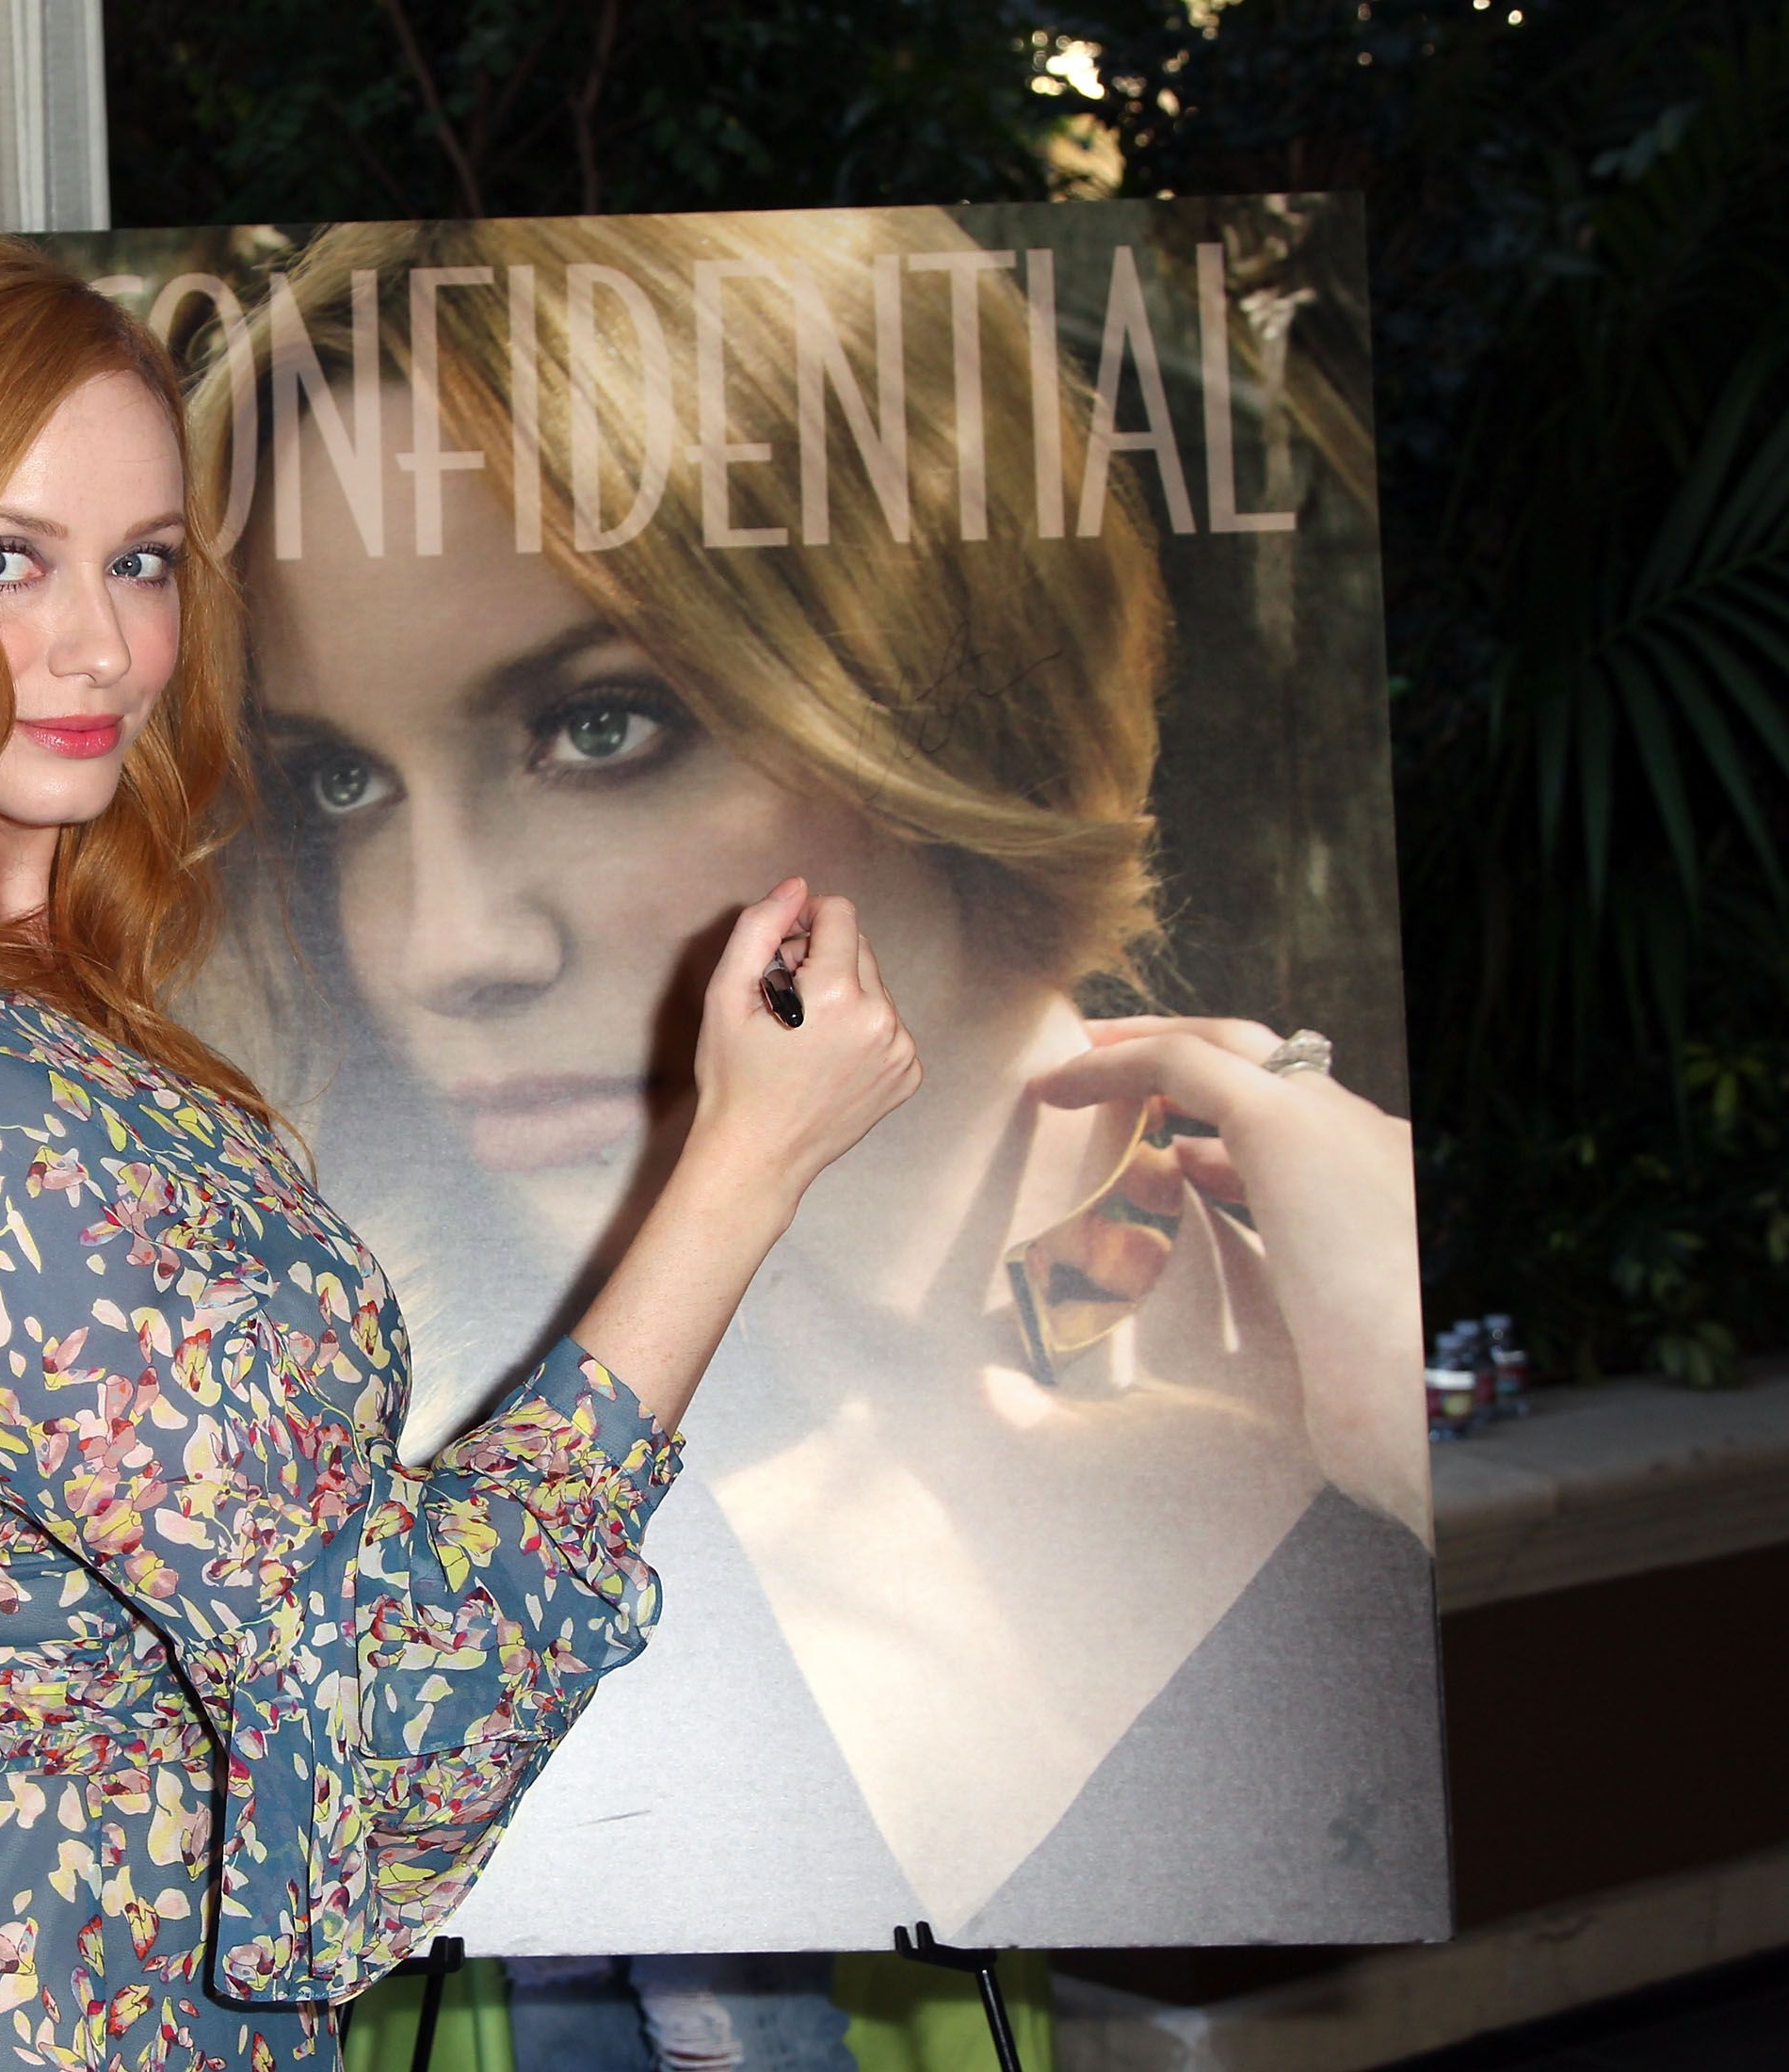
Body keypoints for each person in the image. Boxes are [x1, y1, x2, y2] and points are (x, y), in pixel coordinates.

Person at [0, 236, 921, 2072]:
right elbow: (391, 1715)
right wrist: (741, 1165)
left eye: (145, 560)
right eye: (5, 559)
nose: (100, 646)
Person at [184, 210, 1440, 1961]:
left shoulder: (1343, 1361)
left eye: (599, 725)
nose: (443, 946)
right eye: (339, 783)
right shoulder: (342, 1462)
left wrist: (1410, 1440)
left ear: (946, 694)